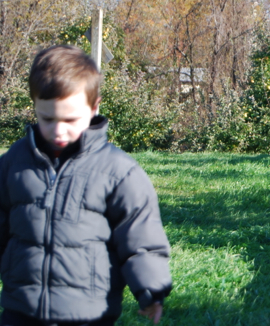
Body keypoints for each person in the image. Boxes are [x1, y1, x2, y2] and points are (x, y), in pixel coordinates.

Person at [0, 45, 172, 326]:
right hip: (21, 308)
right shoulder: (13, 163)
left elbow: (141, 237)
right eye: (47, 118)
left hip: (88, 313)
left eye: (70, 120)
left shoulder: (117, 170)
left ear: (94, 108)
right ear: (34, 106)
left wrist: (151, 289)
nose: (58, 130)